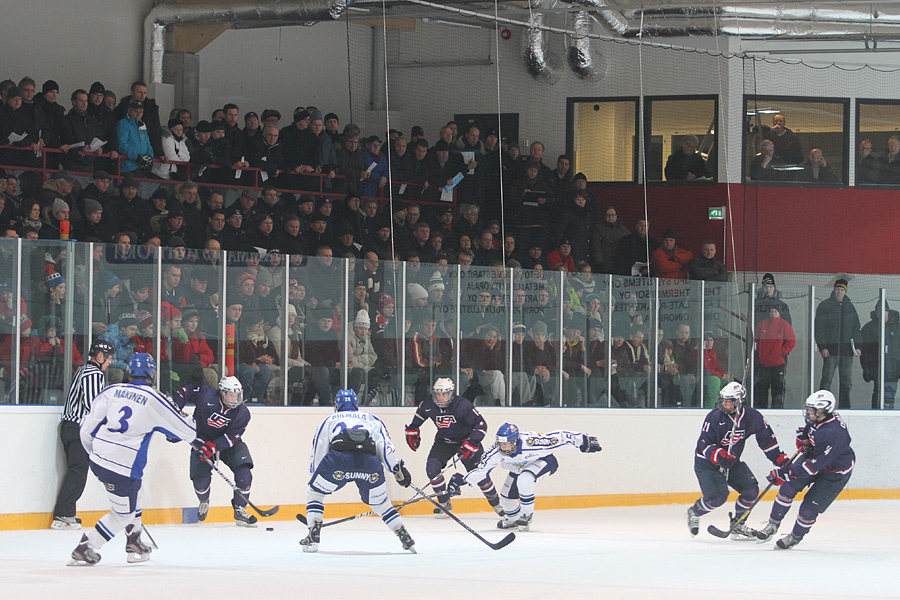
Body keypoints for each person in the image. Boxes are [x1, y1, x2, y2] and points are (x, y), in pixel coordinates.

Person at [69, 353, 197, 566]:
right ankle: (86, 547)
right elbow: (185, 431)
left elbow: (87, 428)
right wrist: (189, 422)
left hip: (100, 458)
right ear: (152, 373)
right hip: (123, 467)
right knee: (123, 515)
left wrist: (96, 454)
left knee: (135, 493)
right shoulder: (155, 398)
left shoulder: (112, 390)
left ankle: (134, 540)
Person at [300, 389, 416, 553]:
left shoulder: (329, 420)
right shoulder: (372, 419)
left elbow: (319, 449)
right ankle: (403, 534)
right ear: (356, 404)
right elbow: (384, 446)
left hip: (338, 462)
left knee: (314, 492)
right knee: (381, 504)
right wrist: (396, 469)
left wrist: (314, 478)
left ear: (337, 405)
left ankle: (313, 532)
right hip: (369, 464)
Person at [449, 422, 601, 531]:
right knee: (507, 501)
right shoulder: (495, 451)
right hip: (519, 468)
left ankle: (526, 515)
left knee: (525, 479)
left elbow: (559, 437)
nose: (503, 447)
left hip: (544, 461)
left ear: (515, 441)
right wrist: (462, 480)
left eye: (506, 444)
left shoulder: (532, 442)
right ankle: (514, 520)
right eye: (500, 443)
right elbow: (482, 470)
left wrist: (583, 440)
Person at [685, 382, 790, 540]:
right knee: (718, 498)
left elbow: (768, 442)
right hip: (708, 464)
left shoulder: (752, 417)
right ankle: (695, 511)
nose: (724, 404)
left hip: (732, 463)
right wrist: (719, 455)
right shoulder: (714, 416)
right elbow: (703, 445)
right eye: (723, 400)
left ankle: (738, 525)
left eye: (729, 400)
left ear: (739, 401)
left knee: (751, 490)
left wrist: (781, 460)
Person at [753, 390, 855, 549]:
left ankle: (795, 536)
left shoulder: (833, 433)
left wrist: (785, 473)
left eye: (812, 410)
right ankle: (772, 525)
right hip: (816, 457)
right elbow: (810, 432)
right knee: (787, 488)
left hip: (835, 472)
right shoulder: (821, 418)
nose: (808, 413)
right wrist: (805, 438)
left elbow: (811, 467)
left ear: (823, 411)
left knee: (809, 508)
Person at [404, 378, 503, 516]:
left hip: (466, 441)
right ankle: (444, 503)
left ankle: (497, 504)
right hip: (444, 441)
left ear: (451, 393)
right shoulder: (428, 404)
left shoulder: (462, 405)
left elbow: (481, 425)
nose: (440, 397)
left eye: (444, 394)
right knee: (432, 469)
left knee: (480, 475)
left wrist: (472, 443)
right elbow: (419, 417)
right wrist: (412, 430)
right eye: (438, 393)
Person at [174, 376, 257, 527]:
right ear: (221, 392)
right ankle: (204, 500)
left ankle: (240, 509)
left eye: (237, 394)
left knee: (244, 474)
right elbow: (184, 392)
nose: (235, 399)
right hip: (201, 440)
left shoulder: (243, 413)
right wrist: (175, 414)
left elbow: (232, 437)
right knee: (200, 482)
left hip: (228, 444)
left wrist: (212, 447)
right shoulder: (206, 395)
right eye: (231, 394)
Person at [51, 340, 113, 530]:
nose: (110, 362)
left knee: (76, 470)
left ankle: (66, 512)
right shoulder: (94, 374)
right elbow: (93, 406)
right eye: (109, 358)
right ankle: (63, 514)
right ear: (100, 357)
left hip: (70, 426)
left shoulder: (83, 370)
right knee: (78, 470)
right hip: (78, 428)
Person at [814, 278, 861, 409]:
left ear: (845, 292)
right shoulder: (825, 306)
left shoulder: (850, 307)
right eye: (837, 290)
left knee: (846, 381)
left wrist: (857, 346)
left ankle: (845, 407)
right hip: (831, 350)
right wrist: (822, 346)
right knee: (826, 380)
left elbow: (856, 328)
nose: (839, 292)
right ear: (833, 290)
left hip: (847, 351)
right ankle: (822, 406)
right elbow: (819, 328)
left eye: (842, 290)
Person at [755, 306, 796, 409]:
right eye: (771, 311)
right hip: (763, 363)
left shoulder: (784, 325)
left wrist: (781, 352)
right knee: (762, 390)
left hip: (778, 364)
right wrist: (758, 353)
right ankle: (762, 410)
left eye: (775, 311)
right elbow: (755, 339)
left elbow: (791, 342)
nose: (773, 314)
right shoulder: (762, 324)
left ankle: (777, 410)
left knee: (777, 390)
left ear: (779, 313)